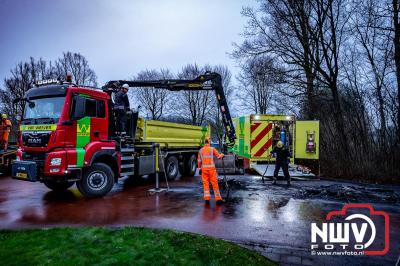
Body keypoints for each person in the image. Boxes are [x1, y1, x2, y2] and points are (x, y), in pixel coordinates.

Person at [198, 137, 224, 205]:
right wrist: (222, 154)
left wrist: (199, 169)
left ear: (204, 142)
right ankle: (218, 200)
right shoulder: (212, 149)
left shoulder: (200, 150)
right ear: (209, 142)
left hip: (204, 170)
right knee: (214, 184)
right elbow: (218, 156)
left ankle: (207, 199)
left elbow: (199, 161)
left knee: (205, 184)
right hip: (211, 170)